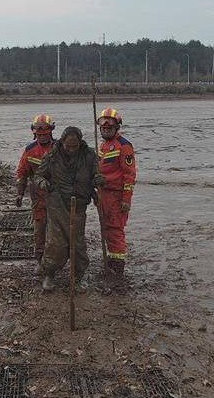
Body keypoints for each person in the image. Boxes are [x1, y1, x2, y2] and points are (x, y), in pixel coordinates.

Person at [34, 126, 102, 292]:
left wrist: (98, 180)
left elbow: (94, 177)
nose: (71, 150)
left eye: (75, 146)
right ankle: (49, 274)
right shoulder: (52, 157)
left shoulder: (89, 155)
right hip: (57, 204)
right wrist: (43, 183)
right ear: (62, 142)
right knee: (56, 242)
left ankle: (78, 276)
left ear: (80, 143)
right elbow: (38, 176)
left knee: (77, 243)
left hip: (79, 205)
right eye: (68, 146)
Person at [96, 107, 137, 289]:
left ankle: (118, 268)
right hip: (103, 194)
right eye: (103, 128)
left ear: (116, 127)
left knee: (115, 231)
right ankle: (111, 262)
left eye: (109, 127)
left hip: (116, 195)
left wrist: (125, 200)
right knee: (106, 229)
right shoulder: (103, 145)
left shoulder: (124, 146)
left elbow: (129, 175)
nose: (105, 130)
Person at [15, 114, 56, 262]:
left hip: (57, 197)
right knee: (39, 229)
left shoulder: (60, 148)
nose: (42, 137)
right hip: (38, 197)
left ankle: (56, 260)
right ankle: (40, 260)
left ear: (51, 132)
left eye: (45, 134)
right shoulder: (30, 150)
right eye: (39, 135)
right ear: (34, 134)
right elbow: (21, 172)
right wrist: (19, 193)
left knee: (57, 231)